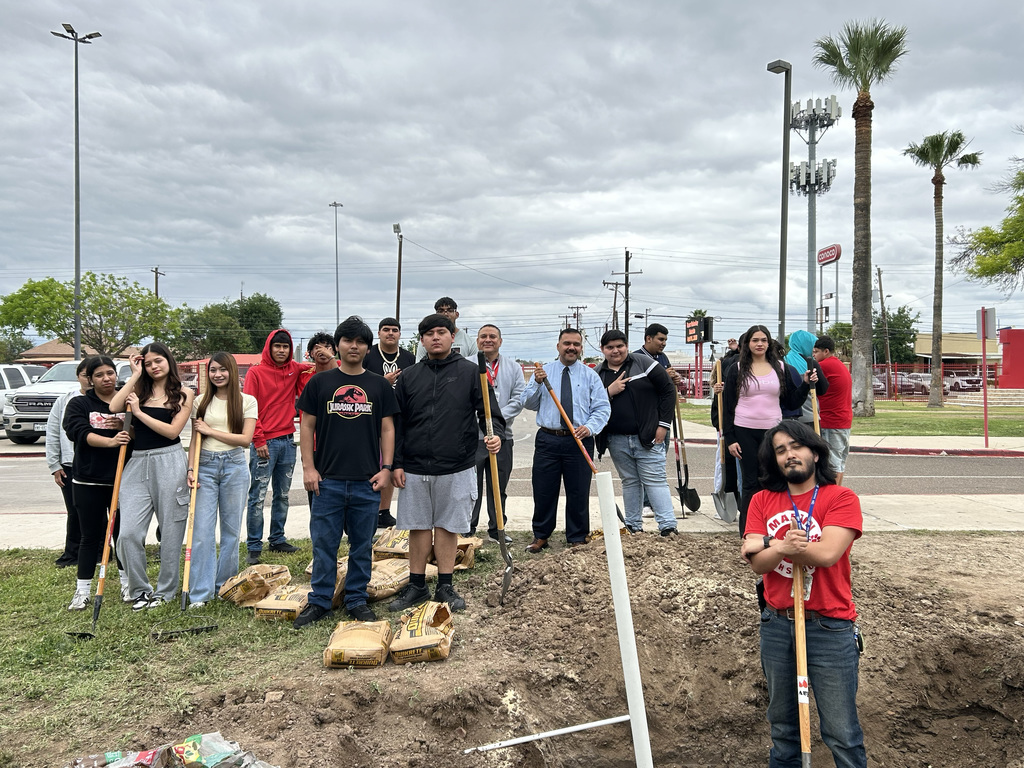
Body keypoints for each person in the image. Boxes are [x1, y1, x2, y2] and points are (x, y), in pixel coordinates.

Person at [741, 420, 866, 768]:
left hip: (830, 626)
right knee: (783, 728)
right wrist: (779, 545)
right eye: (780, 450)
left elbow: (828, 554)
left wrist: (767, 544)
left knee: (842, 732)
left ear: (814, 451)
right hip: (778, 624)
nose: (789, 455)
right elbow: (759, 566)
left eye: (796, 446)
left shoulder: (840, 497)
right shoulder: (762, 501)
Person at [388, 313, 504, 613]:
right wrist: (396, 463)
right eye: (429, 333)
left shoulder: (471, 373)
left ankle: (445, 584)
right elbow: (398, 425)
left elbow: (489, 415)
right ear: (422, 340)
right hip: (414, 466)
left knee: (448, 527)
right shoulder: (410, 377)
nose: (435, 337)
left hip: (457, 464)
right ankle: (416, 585)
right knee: (417, 526)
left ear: (453, 337)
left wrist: (496, 436)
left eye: (442, 332)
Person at [294, 316, 399, 628]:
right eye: (348, 340)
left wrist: (386, 468)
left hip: (367, 482)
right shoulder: (319, 383)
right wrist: (309, 469)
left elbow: (388, 429)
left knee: (362, 544)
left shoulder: (378, 385)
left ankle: (355, 598)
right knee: (324, 543)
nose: (354, 346)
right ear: (337, 345)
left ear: (368, 348)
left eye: (361, 342)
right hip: (327, 481)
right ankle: (321, 600)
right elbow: (307, 426)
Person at [110, 342, 194, 609]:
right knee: (128, 533)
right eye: (147, 363)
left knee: (171, 531)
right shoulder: (138, 390)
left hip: (170, 460)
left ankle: (165, 591)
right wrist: (134, 375)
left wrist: (137, 413)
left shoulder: (183, 393)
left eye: (158, 360)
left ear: (169, 361)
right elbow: (113, 406)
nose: (153, 366)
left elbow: (172, 432)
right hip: (136, 464)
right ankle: (139, 590)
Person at [520, 328, 611, 552]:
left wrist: (589, 428)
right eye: (567, 343)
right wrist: (537, 384)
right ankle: (541, 535)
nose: (571, 347)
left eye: (576, 344)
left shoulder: (590, 375)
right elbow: (527, 403)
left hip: (579, 441)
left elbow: (601, 407)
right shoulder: (543, 373)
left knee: (578, 491)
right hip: (548, 440)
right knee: (543, 490)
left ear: (581, 348)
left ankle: (577, 537)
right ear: (558, 346)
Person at [722, 325, 813, 536]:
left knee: (774, 479)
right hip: (744, 429)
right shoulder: (735, 369)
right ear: (748, 344)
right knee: (750, 483)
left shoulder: (781, 367)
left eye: (763, 340)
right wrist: (730, 438)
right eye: (755, 340)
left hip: (773, 432)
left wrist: (805, 385)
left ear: (769, 343)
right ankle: (748, 531)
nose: (759, 344)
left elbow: (791, 401)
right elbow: (728, 407)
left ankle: (772, 528)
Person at [186, 352, 258, 607]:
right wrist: (190, 469)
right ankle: (200, 593)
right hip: (204, 465)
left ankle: (225, 586)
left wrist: (210, 430)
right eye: (212, 370)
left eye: (222, 369)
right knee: (202, 532)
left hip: (235, 466)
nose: (217, 374)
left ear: (232, 371)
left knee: (230, 531)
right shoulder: (200, 402)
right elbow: (196, 439)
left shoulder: (247, 401)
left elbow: (246, 440)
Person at [61, 356, 132, 610]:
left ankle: (128, 585)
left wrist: (129, 429)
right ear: (89, 379)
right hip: (88, 481)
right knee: (90, 536)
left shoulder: (128, 402)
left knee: (123, 536)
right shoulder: (79, 403)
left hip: (121, 481)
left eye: (110, 373)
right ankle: (82, 591)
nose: (107, 378)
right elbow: (77, 432)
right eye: (100, 374)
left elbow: (141, 434)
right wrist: (111, 441)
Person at [595, 330, 679, 536]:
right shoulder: (597, 373)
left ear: (626, 345)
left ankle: (668, 526)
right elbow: (593, 403)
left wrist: (663, 425)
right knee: (630, 481)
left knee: (655, 479)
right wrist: (609, 392)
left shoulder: (643, 363)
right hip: (615, 439)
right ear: (602, 349)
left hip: (648, 436)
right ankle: (633, 525)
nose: (615, 351)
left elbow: (668, 390)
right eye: (610, 347)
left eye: (619, 346)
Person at [243, 329, 307, 564]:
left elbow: (325, 368)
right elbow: (249, 408)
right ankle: (253, 545)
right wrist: (258, 439)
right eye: (277, 346)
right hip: (265, 443)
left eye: (286, 346)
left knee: (282, 494)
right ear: (269, 347)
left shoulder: (294, 369)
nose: (281, 350)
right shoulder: (256, 373)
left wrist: (325, 355)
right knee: (258, 495)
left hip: (288, 441)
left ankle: (277, 538)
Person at [469, 323, 525, 543]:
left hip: (502, 437)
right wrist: (482, 419)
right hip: (473, 436)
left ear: (500, 341)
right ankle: (467, 527)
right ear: (477, 341)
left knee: (498, 486)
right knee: (471, 486)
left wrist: (495, 417)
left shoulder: (514, 368)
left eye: (493, 336)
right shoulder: (467, 366)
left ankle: (497, 529)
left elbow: (519, 398)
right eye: (483, 336)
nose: (488, 339)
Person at [364, 317, 416, 528]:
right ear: (379, 333)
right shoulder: (368, 356)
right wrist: (382, 384)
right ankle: (369, 508)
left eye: (395, 330)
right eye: (386, 330)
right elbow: (359, 383)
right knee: (371, 463)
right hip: (370, 417)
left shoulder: (409, 358)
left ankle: (384, 511)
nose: (390, 333)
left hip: (399, 417)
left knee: (391, 463)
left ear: (400, 334)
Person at [47, 358, 91, 568]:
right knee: (75, 511)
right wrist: (54, 465)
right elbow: (53, 433)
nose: (91, 380)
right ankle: (72, 553)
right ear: (78, 377)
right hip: (70, 464)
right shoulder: (65, 400)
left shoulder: (111, 400)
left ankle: (103, 550)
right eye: (86, 376)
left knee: (100, 512)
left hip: (98, 465)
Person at [297, 332, 340, 509]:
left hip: (339, 443)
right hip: (313, 443)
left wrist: (331, 358)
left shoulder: (343, 370)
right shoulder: (303, 376)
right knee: (315, 489)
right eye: (317, 348)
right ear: (310, 353)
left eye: (327, 347)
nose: (322, 351)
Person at [813, 336, 853, 486]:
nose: (814, 356)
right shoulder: (839, 364)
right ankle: (838, 491)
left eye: (816, 352)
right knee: (840, 462)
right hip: (843, 419)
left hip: (831, 420)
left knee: (831, 463)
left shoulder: (824, 365)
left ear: (826, 351)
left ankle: (832, 496)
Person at [782, 329, 829, 426]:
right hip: (810, 416)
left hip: (787, 417)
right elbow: (822, 389)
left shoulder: (782, 362)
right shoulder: (810, 363)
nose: (813, 349)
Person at [635, 322, 682, 387]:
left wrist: (674, 378)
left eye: (665, 340)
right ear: (649, 339)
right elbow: (635, 385)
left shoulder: (663, 357)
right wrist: (663, 376)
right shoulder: (635, 358)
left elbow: (667, 380)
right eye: (661, 339)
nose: (664, 343)